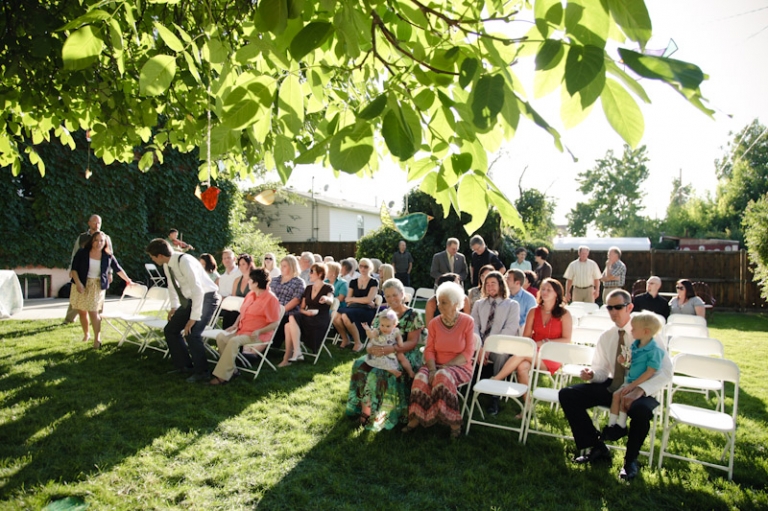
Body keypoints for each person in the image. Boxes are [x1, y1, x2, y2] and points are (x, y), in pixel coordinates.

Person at [559, 289, 672, 482]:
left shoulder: (646, 332)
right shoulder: (607, 336)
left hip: (643, 386)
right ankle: (596, 447)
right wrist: (592, 374)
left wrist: (640, 390)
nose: (613, 312)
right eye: (609, 308)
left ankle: (630, 461)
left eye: (618, 307)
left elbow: (666, 371)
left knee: (641, 411)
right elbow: (602, 370)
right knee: (568, 394)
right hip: (616, 385)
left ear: (629, 307)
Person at [346, 278, 425, 431]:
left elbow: (412, 342)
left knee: (379, 372)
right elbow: (374, 337)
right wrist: (373, 348)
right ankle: (363, 408)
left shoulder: (413, 315)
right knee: (359, 365)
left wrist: (392, 349)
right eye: (387, 296)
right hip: (381, 352)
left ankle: (377, 413)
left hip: (404, 353)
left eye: (395, 295)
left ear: (402, 294)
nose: (391, 299)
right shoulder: (383, 314)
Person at [403, 281, 475, 439]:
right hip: (434, 364)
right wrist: (432, 369)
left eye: (444, 302)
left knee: (442, 376)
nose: (439, 306)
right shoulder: (434, 323)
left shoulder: (467, 321)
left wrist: (445, 366)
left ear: (455, 304)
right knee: (420, 378)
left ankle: (453, 422)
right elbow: (429, 349)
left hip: (460, 365)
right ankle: (416, 417)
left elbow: (468, 352)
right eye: (438, 302)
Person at [491, 278, 572, 417]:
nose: (545, 292)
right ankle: (528, 405)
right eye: (543, 289)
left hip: (552, 354)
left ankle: (496, 379)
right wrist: (534, 345)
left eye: (549, 290)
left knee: (523, 353)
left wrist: (544, 342)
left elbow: (567, 339)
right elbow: (527, 336)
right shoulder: (534, 311)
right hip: (533, 351)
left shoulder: (564, 314)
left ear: (557, 294)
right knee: (522, 367)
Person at [146, 238, 221, 382]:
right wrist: (174, 306)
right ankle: (185, 366)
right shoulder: (167, 265)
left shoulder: (185, 261)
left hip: (207, 298)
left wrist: (193, 318)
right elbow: (172, 286)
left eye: (152, 256)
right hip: (191, 299)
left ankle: (202, 372)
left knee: (192, 333)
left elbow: (198, 290)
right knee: (170, 330)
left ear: (160, 256)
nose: (152, 259)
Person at [209, 268, 282, 385]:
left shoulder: (271, 299)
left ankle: (222, 377)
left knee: (233, 341)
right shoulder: (250, 294)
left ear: (256, 283)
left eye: (250, 280)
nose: (248, 281)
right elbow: (243, 312)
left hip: (257, 335)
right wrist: (234, 325)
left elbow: (275, 323)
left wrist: (259, 331)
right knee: (221, 337)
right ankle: (232, 370)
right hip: (242, 330)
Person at [602, 312, 665, 441]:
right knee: (616, 395)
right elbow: (631, 366)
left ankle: (621, 425)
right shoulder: (635, 345)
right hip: (630, 381)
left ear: (646, 331)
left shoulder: (655, 351)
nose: (631, 331)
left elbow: (650, 372)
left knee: (623, 397)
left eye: (634, 329)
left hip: (640, 384)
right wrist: (624, 362)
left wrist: (633, 386)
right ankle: (612, 425)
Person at [70, 231, 133, 349]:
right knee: (82, 311)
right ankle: (86, 334)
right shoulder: (82, 252)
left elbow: (118, 269)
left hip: (96, 286)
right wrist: (78, 283)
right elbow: (74, 269)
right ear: (92, 241)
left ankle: (97, 339)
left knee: (93, 312)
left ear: (105, 243)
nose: (99, 243)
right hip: (81, 284)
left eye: (101, 241)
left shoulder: (107, 256)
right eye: (96, 240)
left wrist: (128, 280)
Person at [472, 271, 521, 415]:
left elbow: (510, 329)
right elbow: (474, 326)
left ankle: (495, 396)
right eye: (487, 284)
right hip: (480, 344)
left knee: (501, 356)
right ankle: (465, 386)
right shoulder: (479, 304)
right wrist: (480, 347)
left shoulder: (512, 305)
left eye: (493, 283)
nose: (490, 287)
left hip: (499, 346)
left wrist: (490, 346)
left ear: (501, 285)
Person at [279, 263, 334, 367]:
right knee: (288, 324)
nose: (310, 274)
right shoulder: (308, 288)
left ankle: (293, 354)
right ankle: (291, 355)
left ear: (320, 274)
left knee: (289, 322)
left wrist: (326, 299)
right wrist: (306, 312)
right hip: (308, 316)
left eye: (312, 272)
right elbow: (301, 308)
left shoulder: (328, 287)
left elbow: (331, 299)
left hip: (320, 319)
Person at [65, 214, 114, 323]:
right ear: (89, 223)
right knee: (77, 295)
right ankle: (69, 319)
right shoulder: (82, 237)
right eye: (95, 222)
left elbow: (109, 257)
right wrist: (71, 269)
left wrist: (110, 272)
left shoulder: (105, 238)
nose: (97, 225)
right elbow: (75, 254)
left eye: (99, 223)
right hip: (82, 271)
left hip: (99, 273)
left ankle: (98, 319)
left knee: (99, 298)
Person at [333, 258, 379, 352]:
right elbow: (347, 299)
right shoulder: (353, 282)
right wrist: (362, 300)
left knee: (345, 316)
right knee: (335, 315)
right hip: (354, 308)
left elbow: (369, 299)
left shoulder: (374, 282)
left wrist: (354, 299)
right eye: (361, 266)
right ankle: (345, 339)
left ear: (370, 268)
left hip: (366, 310)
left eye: (365, 267)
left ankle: (358, 343)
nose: (363, 268)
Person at [362, 309, 415, 378]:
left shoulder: (395, 331)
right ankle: (393, 371)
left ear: (394, 325)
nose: (384, 328)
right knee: (380, 358)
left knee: (401, 356)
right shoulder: (378, 330)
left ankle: (410, 371)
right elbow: (371, 336)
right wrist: (368, 330)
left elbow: (399, 338)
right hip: (380, 348)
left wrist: (400, 343)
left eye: (388, 326)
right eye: (382, 325)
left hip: (392, 348)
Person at [270, 255, 306, 348]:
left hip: (288, 312)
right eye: (281, 265)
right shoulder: (274, 280)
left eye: (284, 266)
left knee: (281, 320)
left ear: (292, 266)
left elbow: (296, 300)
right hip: (271, 310)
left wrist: (281, 311)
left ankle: (271, 344)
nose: (281, 268)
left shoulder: (298, 282)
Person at [222, 254, 256, 330]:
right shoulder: (237, 280)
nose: (241, 267)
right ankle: (226, 333)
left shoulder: (254, 280)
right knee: (228, 313)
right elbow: (234, 297)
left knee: (235, 314)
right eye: (239, 265)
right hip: (237, 307)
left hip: (249, 308)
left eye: (243, 264)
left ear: (249, 264)